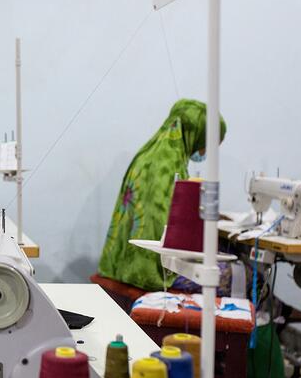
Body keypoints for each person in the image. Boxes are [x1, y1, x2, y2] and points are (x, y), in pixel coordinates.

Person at [98, 99, 228, 292]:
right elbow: (170, 228)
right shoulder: (169, 167)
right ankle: (271, 317)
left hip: (119, 266)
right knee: (239, 273)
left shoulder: (147, 155)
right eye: (207, 145)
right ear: (197, 135)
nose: (205, 152)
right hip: (150, 271)